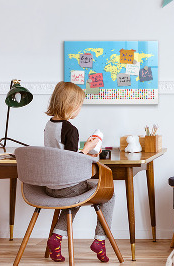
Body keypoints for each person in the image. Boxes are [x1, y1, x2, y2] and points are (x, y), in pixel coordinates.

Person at [44, 81, 114, 263]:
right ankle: (100, 240)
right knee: (109, 194)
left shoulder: (49, 125)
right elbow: (71, 161)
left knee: (75, 198)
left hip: (50, 186)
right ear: (71, 105)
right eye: (80, 105)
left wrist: (83, 149)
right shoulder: (70, 129)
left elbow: (61, 154)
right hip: (67, 186)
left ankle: (56, 238)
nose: (80, 109)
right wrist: (88, 149)